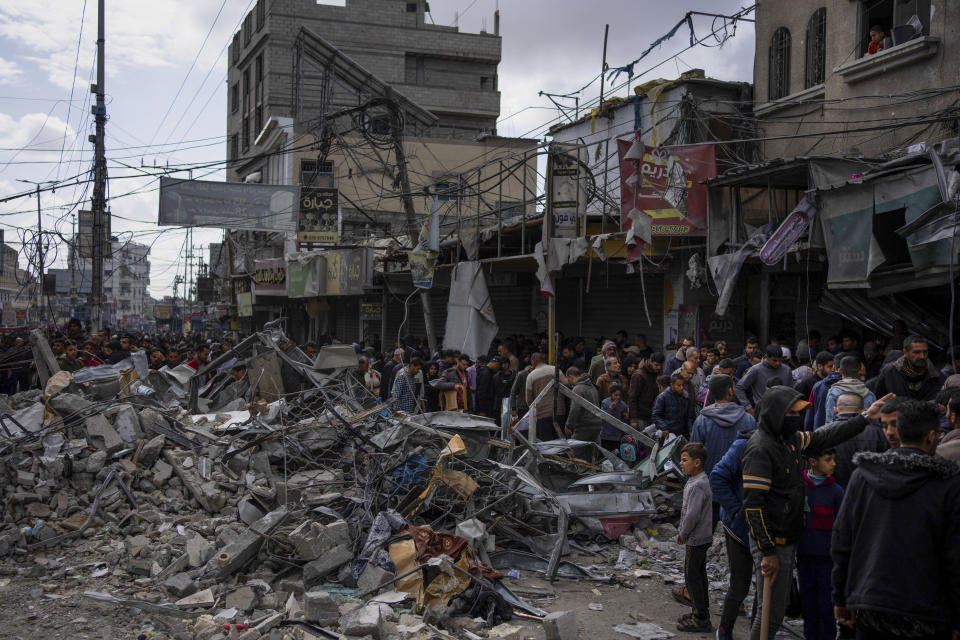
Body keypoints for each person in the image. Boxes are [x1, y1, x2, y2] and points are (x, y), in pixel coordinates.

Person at [741, 385, 891, 640]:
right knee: (771, 614)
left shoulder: (789, 440)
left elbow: (825, 437)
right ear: (777, 414)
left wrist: (865, 418)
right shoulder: (761, 449)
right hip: (774, 541)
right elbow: (754, 505)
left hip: (785, 539)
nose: (797, 419)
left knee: (771, 611)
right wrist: (768, 551)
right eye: (792, 414)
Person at [832, 400, 960, 640]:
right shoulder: (947, 483)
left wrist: (841, 597)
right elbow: (953, 556)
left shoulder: (863, 476)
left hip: (870, 604)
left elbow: (842, 542)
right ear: (931, 436)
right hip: (927, 612)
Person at [710, 428, 755, 640]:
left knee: (766, 587)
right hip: (740, 528)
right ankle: (725, 630)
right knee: (740, 585)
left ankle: (758, 630)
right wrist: (737, 512)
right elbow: (718, 477)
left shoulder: (787, 445)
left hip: (769, 526)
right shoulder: (744, 445)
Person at [797, 448, 844, 640]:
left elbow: (842, 527)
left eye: (834, 459)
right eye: (828, 459)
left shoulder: (836, 492)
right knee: (808, 605)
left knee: (826, 607)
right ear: (813, 461)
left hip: (827, 560)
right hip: (804, 556)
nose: (833, 463)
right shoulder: (799, 486)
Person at [675, 442, 713, 633]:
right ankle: (700, 611)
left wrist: (683, 533)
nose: (681, 463)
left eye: (685, 460)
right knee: (699, 575)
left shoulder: (698, 485)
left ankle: (701, 618)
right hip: (701, 537)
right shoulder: (696, 481)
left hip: (696, 538)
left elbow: (692, 515)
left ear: (697, 462)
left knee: (692, 577)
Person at [691, 375, 756, 476]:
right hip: (739, 482)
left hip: (710, 481)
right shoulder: (749, 419)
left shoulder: (701, 421)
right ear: (730, 390)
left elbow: (694, 455)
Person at [819, 393, 888, 487]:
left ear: (835, 410)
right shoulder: (879, 434)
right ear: (863, 410)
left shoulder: (822, 433)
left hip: (834, 495)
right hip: (869, 494)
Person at [874, 335, 943, 402]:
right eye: (917, 352)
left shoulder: (936, 376)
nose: (922, 356)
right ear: (905, 352)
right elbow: (878, 399)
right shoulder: (890, 372)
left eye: (925, 352)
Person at [735, 345, 792, 414]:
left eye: (780, 360)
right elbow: (739, 388)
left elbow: (790, 392)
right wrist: (749, 408)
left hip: (783, 413)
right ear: (766, 357)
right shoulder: (756, 370)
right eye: (775, 360)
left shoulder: (787, 370)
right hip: (762, 413)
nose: (778, 363)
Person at [525, 353, 566, 441]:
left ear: (533, 361)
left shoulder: (531, 376)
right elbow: (566, 385)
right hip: (559, 412)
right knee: (561, 443)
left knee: (546, 445)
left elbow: (529, 400)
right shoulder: (555, 369)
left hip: (542, 415)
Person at [565, 367, 602, 443]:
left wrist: (569, 425)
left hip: (585, 426)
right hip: (597, 424)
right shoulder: (592, 386)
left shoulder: (577, 389)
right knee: (592, 451)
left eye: (568, 380)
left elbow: (575, 409)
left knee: (576, 450)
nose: (569, 382)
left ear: (571, 377)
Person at [652, 372, 694, 438]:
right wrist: (664, 428)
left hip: (681, 433)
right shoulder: (663, 397)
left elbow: (688, 417)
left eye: (683, 385)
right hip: (667, 433)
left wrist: (690, 430)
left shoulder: (685, 397)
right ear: (672, 385)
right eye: (679, 385)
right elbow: (656, 415)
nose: (682, 388)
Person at [629, 352, 664, 429]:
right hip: (640, 416)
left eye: (660, 365)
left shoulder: (657, 374)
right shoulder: (639, 375)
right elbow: (632, 397)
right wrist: (634, 419)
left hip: (652, 415)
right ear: (650, 361)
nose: (658, 367)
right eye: (656, 365)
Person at [600, 385, 628, 451]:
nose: (618, 397)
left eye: (619, 395)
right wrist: (610, 408)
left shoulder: (623, 405)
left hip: (618, 436)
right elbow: (602, 417)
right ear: (611, 394)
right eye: (615, 395)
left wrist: (625, 417)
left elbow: (624, 421)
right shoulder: (605, 403)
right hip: (606, 435)